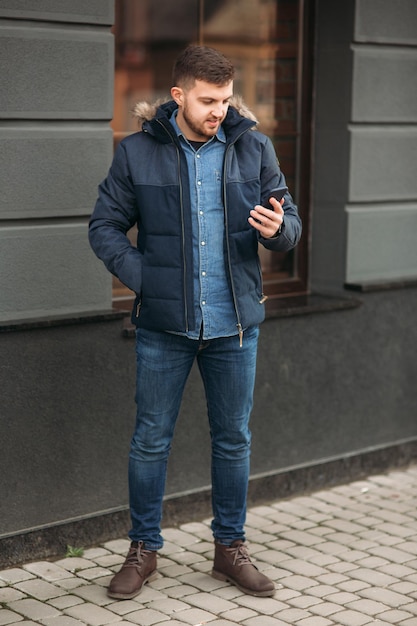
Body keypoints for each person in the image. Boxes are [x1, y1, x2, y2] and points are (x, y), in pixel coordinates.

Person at [89, 44, 302, 600]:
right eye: (209, 101)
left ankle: (229, 549)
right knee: (150, 440)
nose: (220, 111)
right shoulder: (135, 153)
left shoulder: (254, 147)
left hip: (235, 326)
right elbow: (105, 226)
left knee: (233, 439)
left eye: (226, 100)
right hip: (164, 327)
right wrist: (147, 277)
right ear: (179, 96)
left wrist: (277, 230)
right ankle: (142, 548)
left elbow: (292, 222)